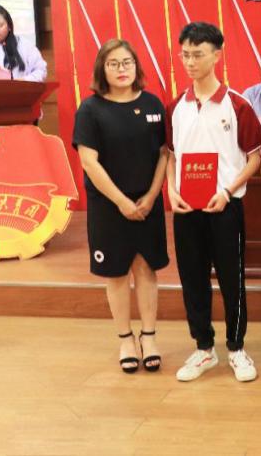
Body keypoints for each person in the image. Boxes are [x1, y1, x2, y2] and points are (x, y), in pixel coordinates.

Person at [165, 22, 261, 383]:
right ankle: (203, 348)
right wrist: (171, 189)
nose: (190, 62)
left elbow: (254, 158)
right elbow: (170, 155)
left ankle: (236, 348)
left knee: (231, 279)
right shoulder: (176, 106)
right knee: (192, 278)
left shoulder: (237, 105)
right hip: (186, 207)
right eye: (185, 55)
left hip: (225, 206)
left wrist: (227, 190)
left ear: (217, 55)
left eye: (198, 54)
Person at [73, 39, 168, 374]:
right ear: (103, 69)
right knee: (115, 273)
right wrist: (122, 202)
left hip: (147, 204)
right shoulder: (90, 109)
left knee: (146, 268)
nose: (122, 69)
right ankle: (126, 339)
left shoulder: (153, 104)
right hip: (109, 206)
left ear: (136, 66)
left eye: (127, 62)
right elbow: (89, 161)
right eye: (113, 63)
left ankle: (149, 337)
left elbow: (164, 154)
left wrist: (152, 196)